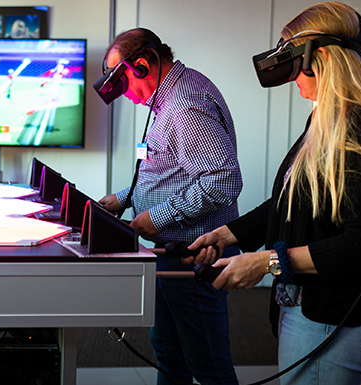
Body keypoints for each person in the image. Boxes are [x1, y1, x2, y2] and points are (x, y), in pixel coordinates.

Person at [189, 2, 361, 384]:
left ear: (318, 58)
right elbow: (294, 198)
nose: (288, 76)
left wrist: (267, 262)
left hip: (335, 318)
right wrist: (227, 235)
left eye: (291, 59)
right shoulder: (327, 117)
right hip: (311, 310)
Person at [96, 28, 242, 385]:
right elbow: (168, 170)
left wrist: (155, 217)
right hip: (171, 251)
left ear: (143, 65)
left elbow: (223, 180)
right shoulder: (169, 99)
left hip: (193, 256)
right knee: (169, 351)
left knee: (207, 363)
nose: (127, 95)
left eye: (126, 83)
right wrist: (124, 197)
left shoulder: (184, 106)